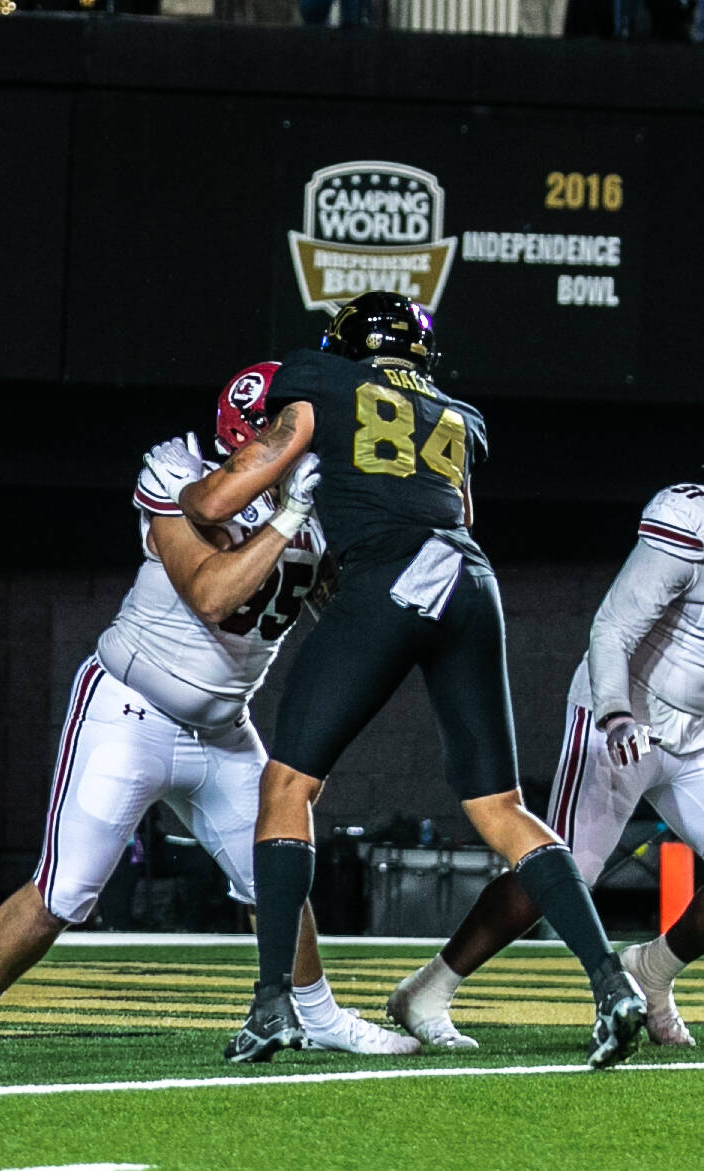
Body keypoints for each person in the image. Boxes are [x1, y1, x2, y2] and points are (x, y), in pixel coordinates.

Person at [162, 292, 645, 1068]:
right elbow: (457, 510)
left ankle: (271, 1003)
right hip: (471, 582)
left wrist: (203, 491)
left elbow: (214, 500)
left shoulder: (316, 379)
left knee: (286, 786)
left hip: (394, 574)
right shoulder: (458, 414)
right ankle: (610, 984)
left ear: (345, 343)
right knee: (499, 806)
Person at [0, 365, 416, 1056]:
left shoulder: (313, 501)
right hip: (130, 709)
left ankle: (320, 1016)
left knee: (276, 877)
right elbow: (212, 595)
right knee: (65, 891)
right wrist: (289, 519)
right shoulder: (179, 472)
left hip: (225, 729)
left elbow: (336, 611)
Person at [387, 481, 704, 1050]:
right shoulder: (691, 518)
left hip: (697, 733)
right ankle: (428, 989)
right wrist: (614, 714)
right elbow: (613, 627)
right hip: (626, 710)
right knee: (561, 872)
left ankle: (652, 970)